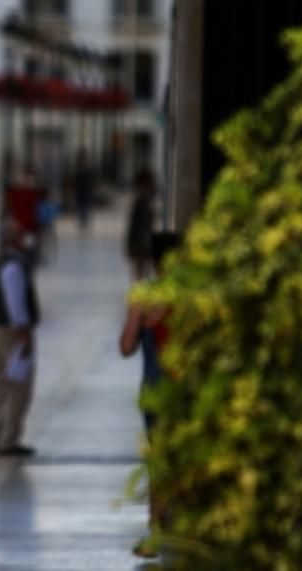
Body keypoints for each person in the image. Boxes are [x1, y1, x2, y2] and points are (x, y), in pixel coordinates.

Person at [119, 230, 181, 558]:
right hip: (188, 389)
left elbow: (126, 346)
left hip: (155, 391)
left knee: (158, 463)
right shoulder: (193, 293)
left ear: (154, 261)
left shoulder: (144, 296)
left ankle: (155, 533)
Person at [0, 219, 41, 456]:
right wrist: (23, 334)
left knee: (2, 385)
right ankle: (8, 440)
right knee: (18, 386)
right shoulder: (13, 266)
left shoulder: (2, 263)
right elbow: (15, 303)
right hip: (10, 332)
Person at [126, 169, 157, 281]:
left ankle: (140, 285)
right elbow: (137, 224)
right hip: (140, 240)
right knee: (140, 267)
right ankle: (139, 286)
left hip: (142, 240)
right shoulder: (141, 201)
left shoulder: (144, 200)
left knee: (142, 268)